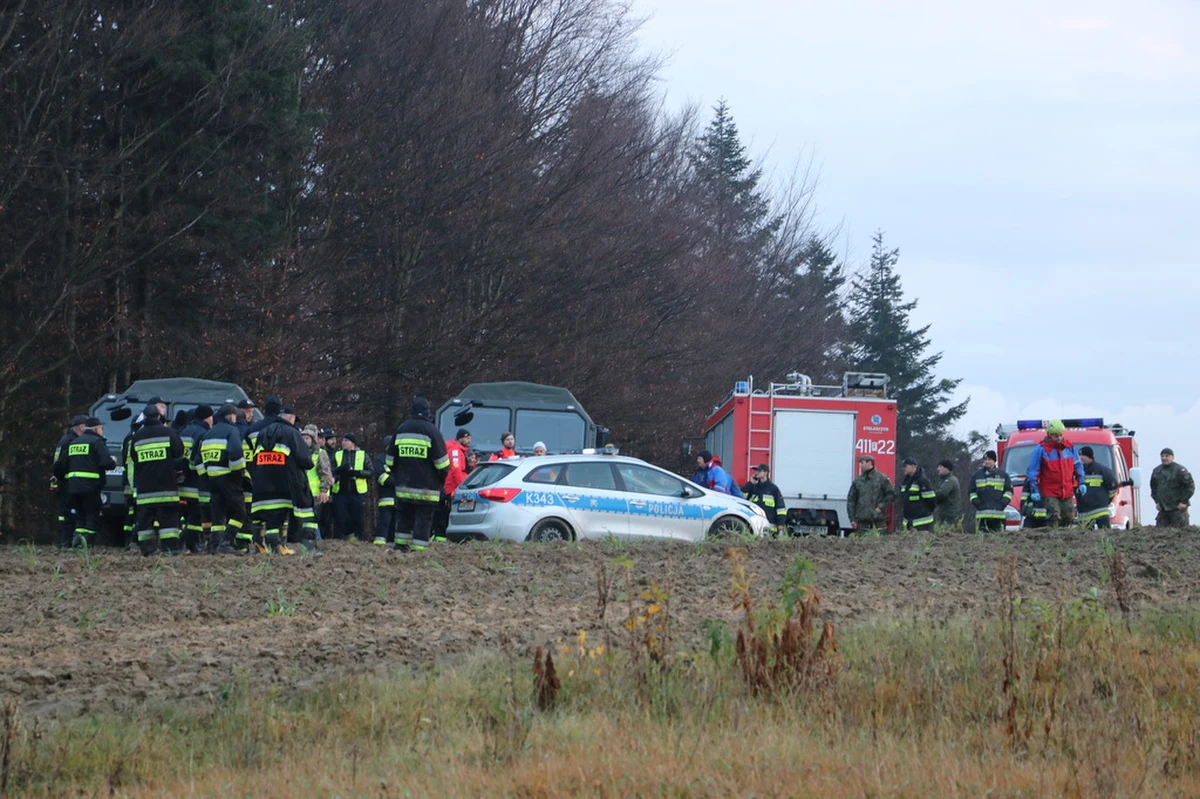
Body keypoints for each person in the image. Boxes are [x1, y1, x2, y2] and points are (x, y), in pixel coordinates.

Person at [383, 397, 449, 552]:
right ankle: (418, 550)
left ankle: (400, 546)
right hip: (427, 488)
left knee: (404, 517)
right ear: (427, 412)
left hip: (404, 486)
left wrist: (399, 475)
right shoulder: (433, 431)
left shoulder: (401, 429)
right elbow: (443, 464)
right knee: (423, 519)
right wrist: (440, 480)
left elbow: (390, 461)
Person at [250, 404, 313, 554]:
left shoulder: (262, 433)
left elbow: (254, 459)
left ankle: (273, 547)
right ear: (291, 418)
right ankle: (307, 545)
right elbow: (306, 459)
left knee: (271, 517)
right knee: (295, 512)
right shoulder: (292, 433)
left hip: (262, 484)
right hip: (285, 484)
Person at [130, 404, 185, 555]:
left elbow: (134, 459)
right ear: (159, 417)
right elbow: (179, 453)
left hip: (145, 489)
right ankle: (170, 549)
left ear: (145, 418)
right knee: (169, 522)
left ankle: (148, 550)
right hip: (166, 486)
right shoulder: (169, 432)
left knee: (145, 523)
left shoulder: (137, 437)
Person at [54, 416, 115, 549]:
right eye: (101, 428)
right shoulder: (97, 442)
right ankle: (86, 543)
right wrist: (113, 462)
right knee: (92, 515)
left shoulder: (74, 442)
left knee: (80, 515)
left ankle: (77, 541)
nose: (102, 430)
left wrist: (64, 480)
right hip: (91, 487)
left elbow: (59, 465)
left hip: (73, 487)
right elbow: (106, 463)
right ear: (97, 429)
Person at [198, 404, 248, 553]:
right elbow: (235, 452)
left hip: (212, 480)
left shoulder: (208, 433)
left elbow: (197, 460)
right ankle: (226, 542)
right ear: (231, 416)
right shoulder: (232, 430)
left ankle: (214, 545)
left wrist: (206, 476)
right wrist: (239, 473)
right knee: (240, 512)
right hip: (229, 478)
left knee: (218, 515)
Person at [1026, 419, 1086, 528]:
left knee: (1069, 516)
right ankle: (1053, 538)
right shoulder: (1041, 450)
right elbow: (1033, 471)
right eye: (1055, 436)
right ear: (1049, 435)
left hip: (1066, 490)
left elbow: (1077, 465)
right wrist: (1034, 489)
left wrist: (1081, 481)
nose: (1059, 438)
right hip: (1050, 490)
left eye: (1060, 435)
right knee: (1053, 515)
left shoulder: (1069, 448)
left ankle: (1064, 539)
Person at [178, 405, 214, 553]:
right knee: (195, 518)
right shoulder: (203, 433)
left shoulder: (183, 431)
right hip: (195, 484)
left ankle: (181, 543)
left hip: (180, 482)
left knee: (182, 517)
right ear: (208, 417)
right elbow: (197, 461)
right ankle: (191, 544)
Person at [51, 415, 89, 548]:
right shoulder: (71, 442)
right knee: (69, 513)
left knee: (65, 513)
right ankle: (66, 541)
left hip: (63, 481)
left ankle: (64, 541)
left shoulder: (65, 439)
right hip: (67, 482)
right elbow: (62, 463)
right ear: (81, 427)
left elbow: (57, 463)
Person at [434, 428, 473, 541]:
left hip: (450, 487)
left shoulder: (459, 450)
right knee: (445, 514)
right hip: (452, 488)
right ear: (460, 438)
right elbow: (456, 470)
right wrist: (462, 487)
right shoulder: (456, 451)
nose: (469, 440)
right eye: (467, 438)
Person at [332, 432, 371, 541]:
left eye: (346, 441)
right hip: (340, 492)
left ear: (352, 443)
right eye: (343, 440)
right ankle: (341, 541)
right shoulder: (337, 454)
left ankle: (361, 541)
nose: (343, 442)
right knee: (340, 518)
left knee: (358, 519)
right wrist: (340, 471)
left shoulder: (362, 454)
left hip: (357, 493)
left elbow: (370, 472)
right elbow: (331, 470)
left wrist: (357, 473)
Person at [1076, 446, 1119, 529]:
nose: (1079, 458)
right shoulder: (1078, 472)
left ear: (1088, 456)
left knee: (1105, 535)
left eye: (1081, 455)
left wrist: (1106, 500)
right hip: (1084, 514)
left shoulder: (1102, 470)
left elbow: (1113, 487)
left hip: (1100, 512)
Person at [969, 450, 1012, 533]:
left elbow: (1009, 491)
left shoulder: (1003, 475)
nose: (987, 461)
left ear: (994, 461)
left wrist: (1003, 503)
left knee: (998, 541)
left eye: (989, 459)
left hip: (998, 516)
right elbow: (971, 492)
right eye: (985, 459)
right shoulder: (976, 475)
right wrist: (976, 502)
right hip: (982, 516)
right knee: (982, 542)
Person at [847, 455, 892, 532]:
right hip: (862, 522)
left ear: (869, 463)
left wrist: (880, 507)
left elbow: (891, 494)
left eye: (862, 463)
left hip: (878, 522)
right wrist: (852, 519)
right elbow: (851, 500)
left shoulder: (881, 479)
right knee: (862, 543)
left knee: (881, 542)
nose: (860, 465)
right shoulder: (858, 481)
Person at [1151, 448, 1194, 528]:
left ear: (1172, 457)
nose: (1164, 458)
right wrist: (1157, 501)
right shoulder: (1156, 471)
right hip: (1163, 509)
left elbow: (1190, 487)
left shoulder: (1180, 470)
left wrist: (1184, 502)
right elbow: (1153, 488)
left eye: (1167, 456)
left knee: (1180, 534)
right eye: (1162, 456)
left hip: (1178, 509)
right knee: (1160, 535)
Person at [741, 463, 785, 533]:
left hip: (769, 524)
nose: (756, 473)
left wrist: (780, 524)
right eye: (756, 471)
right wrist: (750, 483)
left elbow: (780, 508)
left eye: (759, 471)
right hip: (754, 523)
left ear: (765, 473)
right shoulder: (753, 487)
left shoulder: (773, 489)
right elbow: (742, 498)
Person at [897, 457, 936, 531]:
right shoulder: (906, 481)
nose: (903, 468)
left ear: (913, 466)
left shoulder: (922, 480)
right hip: (909, 522)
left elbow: (931, 500)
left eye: (905, 466)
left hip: (922, 523)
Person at [372, 436, 396, 546]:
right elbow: (381, 477)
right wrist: (397, 482)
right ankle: (379, 545)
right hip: (386, 498)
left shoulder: (399, 459)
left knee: (396, 525)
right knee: (384, 523)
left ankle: (394, 546)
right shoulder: (380, 459)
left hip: (399, 499)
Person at [933, 459, 963, 530]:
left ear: (946, 468)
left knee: (944, 534)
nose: (938, 469)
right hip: (944, 515)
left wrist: (930, 495)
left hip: (950, 516)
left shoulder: (950, 480)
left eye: (940, 467)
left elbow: (942, 493)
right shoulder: (943, 481)